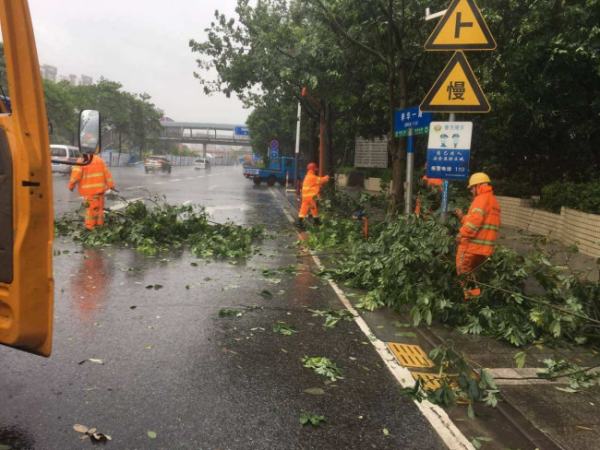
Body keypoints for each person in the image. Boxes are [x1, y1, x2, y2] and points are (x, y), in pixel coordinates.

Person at [454, 172, 501, 300]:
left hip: (471, 246)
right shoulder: (493, 201)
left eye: (471, 188)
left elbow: (474, 223)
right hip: (483, 249)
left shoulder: (480, 200)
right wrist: (462, 217)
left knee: (463, 272)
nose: (471, 192)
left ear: (478, 186)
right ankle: (476, 297)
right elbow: (479, 221)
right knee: (473, 274)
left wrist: (461, 233)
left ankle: (470, 300)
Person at [68, 155, 115, 230]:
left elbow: (76, 174)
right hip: (100, 192)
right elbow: (107, 174)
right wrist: (111, 185)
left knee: (90, 212)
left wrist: (71, 185)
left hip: (89, 192)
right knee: (99, 211)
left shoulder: (82, 160)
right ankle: (100, 226)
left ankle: (90, 227)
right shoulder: (100, 160)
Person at [297, 162, 329, 229]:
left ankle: (300, 222)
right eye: (315, 169)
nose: (316, 170)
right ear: (313, 169)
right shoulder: (312, 177)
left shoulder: (307, 176)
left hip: (305, 196)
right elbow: (321, 180)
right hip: (310, 197)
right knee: (313, 208)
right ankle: (316, 222)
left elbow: (316, 183)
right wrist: (326, 177)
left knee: (305, 209)